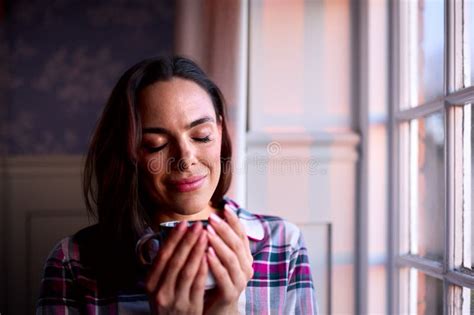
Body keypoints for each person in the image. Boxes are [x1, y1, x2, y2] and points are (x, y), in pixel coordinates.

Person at [36, 56, 318, 314]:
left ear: (220, 131)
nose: (185, 160)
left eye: (202, 136)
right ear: (129, 152)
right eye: (155, 144)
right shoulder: (72, 261)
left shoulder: (282, 245)